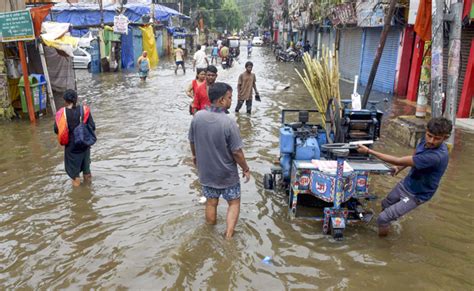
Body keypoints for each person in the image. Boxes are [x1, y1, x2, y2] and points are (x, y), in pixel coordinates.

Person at [357, 117, 452, 237]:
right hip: (408, 183)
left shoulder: (436, 157)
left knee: (382, 218)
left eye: (437, 139)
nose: (431, 141)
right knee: (386, 204)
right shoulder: (425, 141)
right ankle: (389, 223)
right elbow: (413, 156)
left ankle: (383, 245)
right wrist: (399, 168)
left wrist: (368, 151)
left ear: (445, 137)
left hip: (417, 194)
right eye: (429, 135)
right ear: (426, 131)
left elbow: (398, 159)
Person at [189, 82, 251, 239]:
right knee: (234, 202)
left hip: (207, 173)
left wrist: (195, 156)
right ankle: (229, 236)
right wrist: (245, 168)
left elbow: (192, 141)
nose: (231, 101)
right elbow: (236, 151)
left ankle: (209, 234)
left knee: (211, 202)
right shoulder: (228, 122)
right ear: (221, 100)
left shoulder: (198, 117)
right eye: (229, 97)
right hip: (227, 175)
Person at [54, 89, 96, 187]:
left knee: (75, 175)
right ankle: (88, 191)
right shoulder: (84, 110)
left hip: (71, 147)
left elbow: (56, 130)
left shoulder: (62, 113)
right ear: (76, 99)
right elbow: (92, 126)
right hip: (84, 145)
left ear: (65, 100)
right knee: (87, 171)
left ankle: (78, 199)